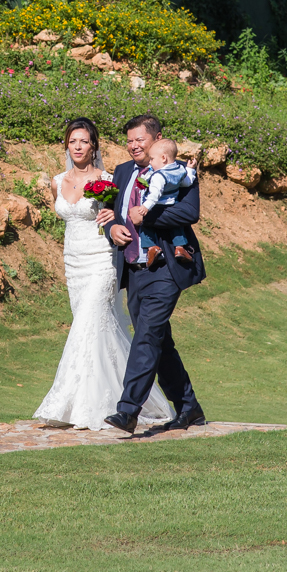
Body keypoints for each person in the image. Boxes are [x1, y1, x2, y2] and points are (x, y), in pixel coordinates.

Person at [32, 117, 175, 431]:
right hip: (74, 262)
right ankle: (114, 399)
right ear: (67, 146)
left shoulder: (108, 179)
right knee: (94, 332)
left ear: (93, 145)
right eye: (73, 141)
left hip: (101, 263)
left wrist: (114, 226)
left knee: (86, 325)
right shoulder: (56, 181)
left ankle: (70, 407)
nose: (78, 147)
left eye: (84, 141)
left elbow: (116, 216)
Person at [97, 114, 206, 436]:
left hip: (166, 269)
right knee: (159, 342)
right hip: (134, 269)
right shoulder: (122, 171)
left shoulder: (178, 170)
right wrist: (112, 227)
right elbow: (110, 214)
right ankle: (189, 408)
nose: (133, 146)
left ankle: (127, 412)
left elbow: (190, 212)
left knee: (145, 337)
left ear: (157, 138)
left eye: (139, 140)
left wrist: (146, 214)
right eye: (129, 140)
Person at [130, 138, 198, 268]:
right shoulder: (178, 170)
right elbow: (187, 182)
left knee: (146, 226)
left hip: (158, 205)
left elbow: (154, 195)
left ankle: (151, 248)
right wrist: (190, 169)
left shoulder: (158, 176)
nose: (150, 162)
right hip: (173, 203)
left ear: (163, 158)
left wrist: (145, 207)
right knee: (176, 226)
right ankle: (180, 248)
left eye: (152, 159)